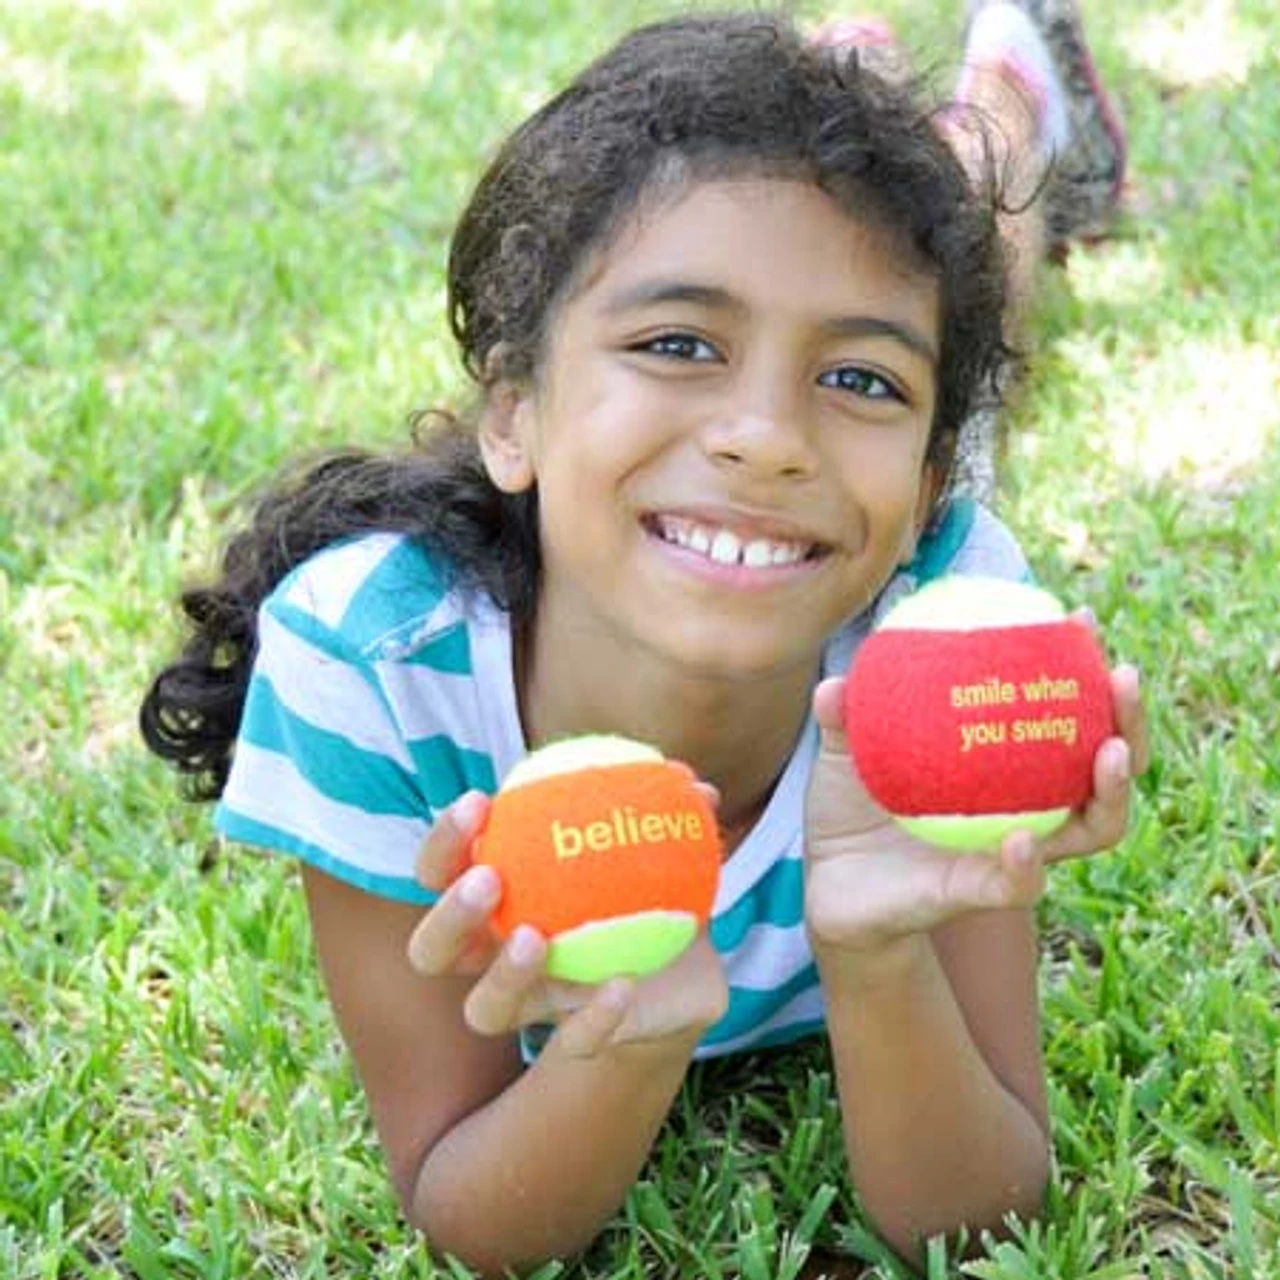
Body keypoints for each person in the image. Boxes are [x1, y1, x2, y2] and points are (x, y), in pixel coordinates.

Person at [139, 7, 1147, 1274]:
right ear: (512, 411)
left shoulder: (934, 639)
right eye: (677, 344)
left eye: (861, 379)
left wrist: (877, 949)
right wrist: (629, 1037)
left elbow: (984, 1222)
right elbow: (464, 1207)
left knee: (988, 225)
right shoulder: (372, 670)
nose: (764, 436)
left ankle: (1008, 91)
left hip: (896, 589)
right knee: (904, 232)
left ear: (924, 498)